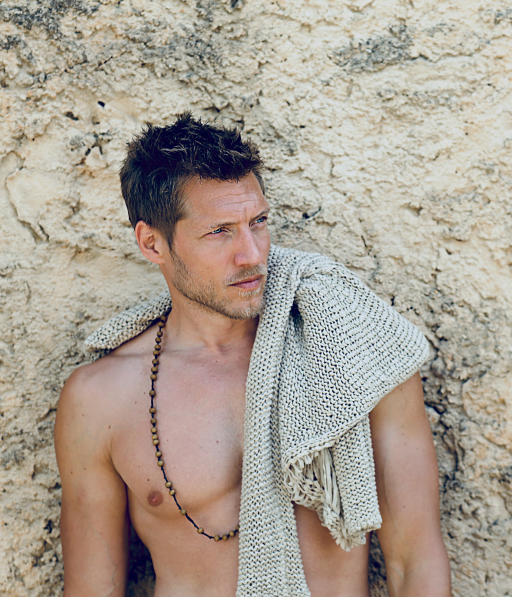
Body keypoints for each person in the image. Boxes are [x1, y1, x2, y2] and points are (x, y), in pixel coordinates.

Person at [54, 113, 451, 597]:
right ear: (152, 243)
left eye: (258, 222)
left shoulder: (358, 350)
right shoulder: (101, 401)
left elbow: (415, 561)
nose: (252, 255)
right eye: (220, 231)